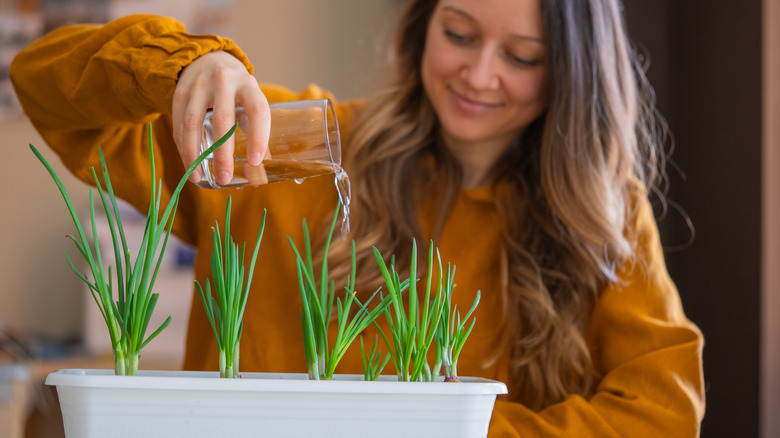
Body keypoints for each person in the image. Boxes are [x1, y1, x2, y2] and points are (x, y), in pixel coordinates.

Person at [10, 0, 705, 435]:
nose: (480, 75)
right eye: (459, 33)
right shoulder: (293, 148)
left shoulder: (602, 215)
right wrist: (182, 69)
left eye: (523, 57)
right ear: (423, 23)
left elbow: (664, 412)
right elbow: (41, 80)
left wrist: (445, 430)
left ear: (573, 73)